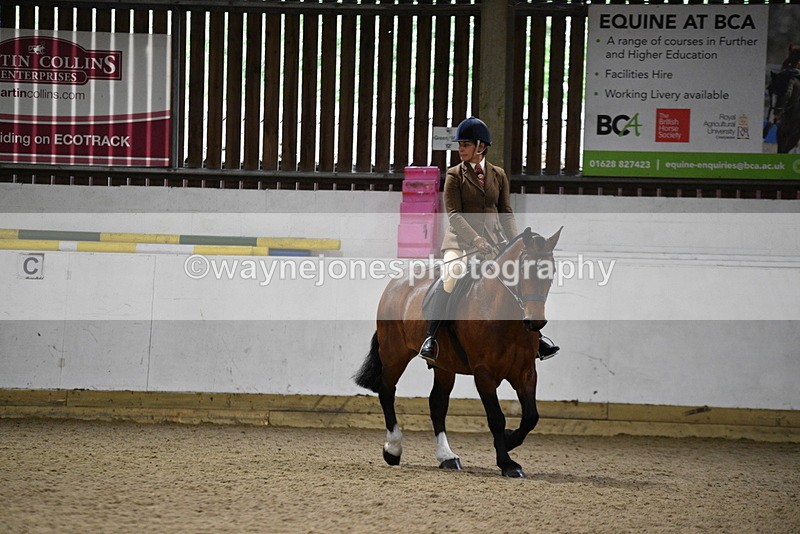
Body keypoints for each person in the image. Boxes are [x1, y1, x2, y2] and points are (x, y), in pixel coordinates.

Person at [417, 116, 559, 364]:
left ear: (481, 146)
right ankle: (431, 337)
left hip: (494, 244)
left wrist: (516, 244)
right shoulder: (454, 176)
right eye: (459, 145)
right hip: (460, 244)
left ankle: (537, 338)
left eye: (465, 144)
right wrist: (476, 240)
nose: (460, 149)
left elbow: (506, 212)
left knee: (516, 278)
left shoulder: (499, 175)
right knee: (452, 273)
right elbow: (454, 215)